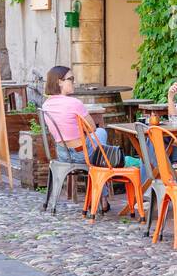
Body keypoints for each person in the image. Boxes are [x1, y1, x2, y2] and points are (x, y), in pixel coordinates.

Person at [40, 65, 129, 209]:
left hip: (62, 154)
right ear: (59, 82)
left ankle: (102, 196)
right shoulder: (75, 103)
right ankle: (102, 197)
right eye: (71, 79)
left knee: (98, 152)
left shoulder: (46, 105)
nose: (74, 82)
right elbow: (92, 127)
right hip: (82, 154)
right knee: (101, 134)